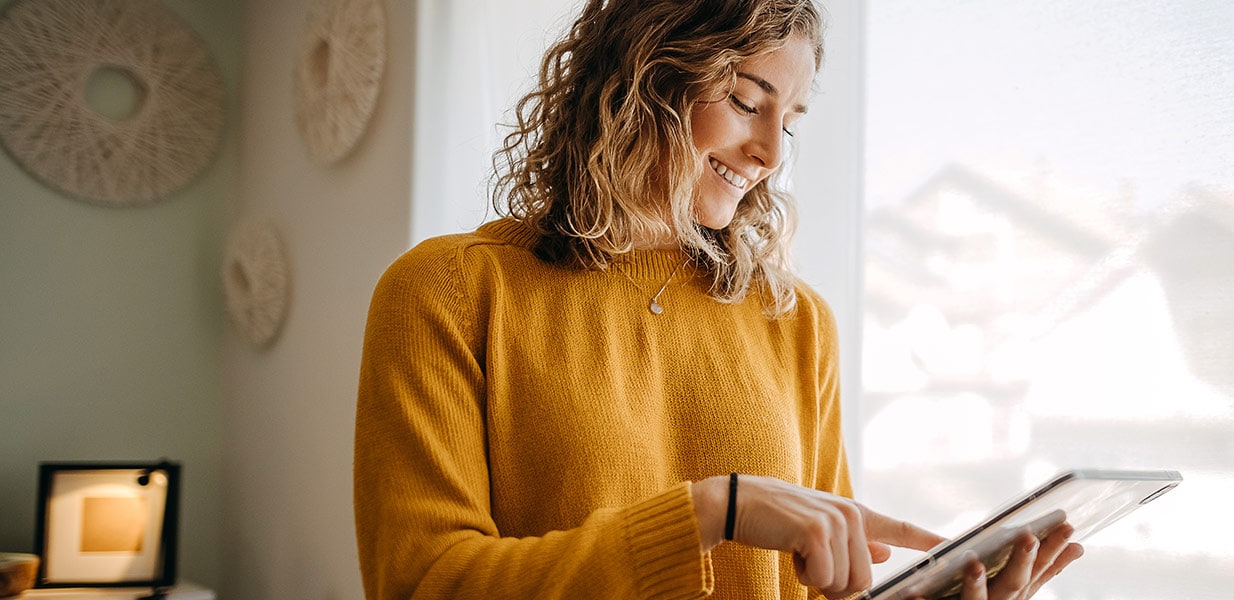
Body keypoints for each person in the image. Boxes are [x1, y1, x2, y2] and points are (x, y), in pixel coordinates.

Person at [353, 1, 1084, 598]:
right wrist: (710, 513)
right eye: (745, 102)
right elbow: (425, 584)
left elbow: (814, 584)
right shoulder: (448, 293)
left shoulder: (797, 325)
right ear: (644, 74)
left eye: (789, 122)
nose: (771, 153)